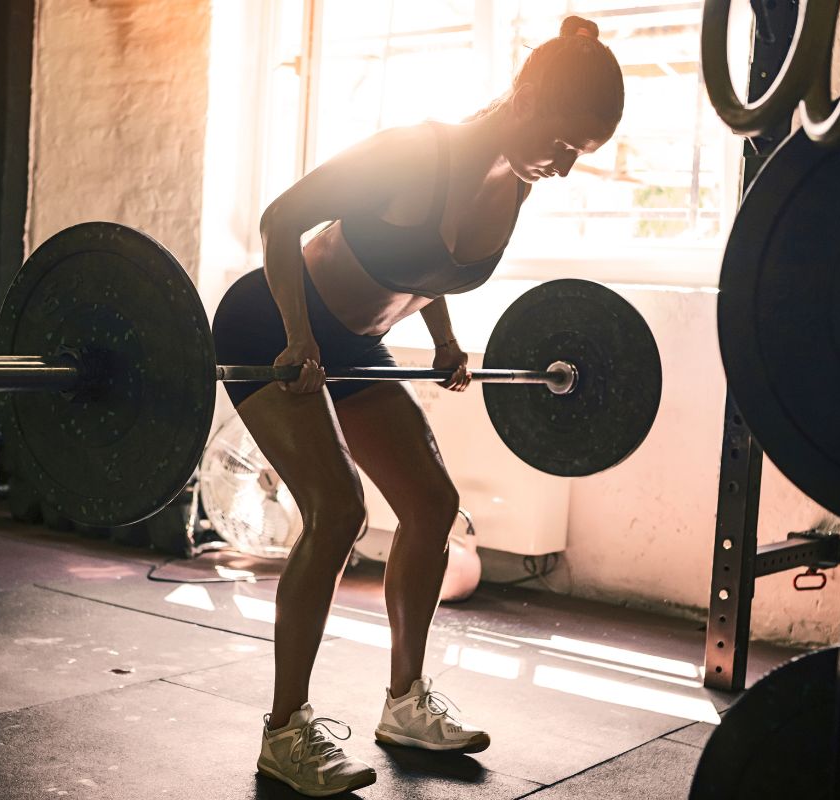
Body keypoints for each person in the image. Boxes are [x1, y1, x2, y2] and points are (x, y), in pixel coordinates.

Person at [211, 14, 624, 797]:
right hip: (273, 320)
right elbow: (281, 220)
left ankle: (404, 703)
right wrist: (298, 335)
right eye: (565, 145)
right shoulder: (411, 151)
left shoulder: (519, 180)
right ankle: (284, 730)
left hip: (359, 343)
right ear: (528, 96)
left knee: (433, 505)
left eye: (581, 156)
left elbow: (433, 266)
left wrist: (442, 337)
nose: (566, 168)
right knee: (338, 512)